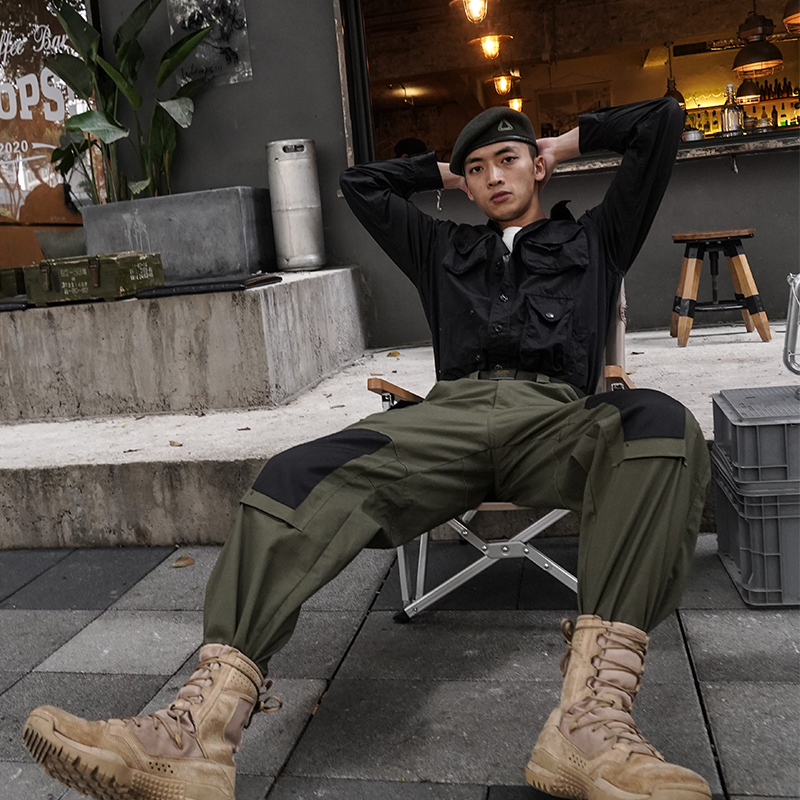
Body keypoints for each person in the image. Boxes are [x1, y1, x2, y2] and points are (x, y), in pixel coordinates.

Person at [22, 97, 712, 800]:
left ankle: (590, 724)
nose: (494, 177)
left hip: (555, 420)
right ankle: (198, 732)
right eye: (478, 169)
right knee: (294, 474)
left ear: (537, 167)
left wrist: (560, 143)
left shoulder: (597, 238)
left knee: (660, 424)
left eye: (508, 160)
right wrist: (446, 171)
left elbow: (661, 123)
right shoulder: (444, 249)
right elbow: (362, 184)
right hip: (448, 420)